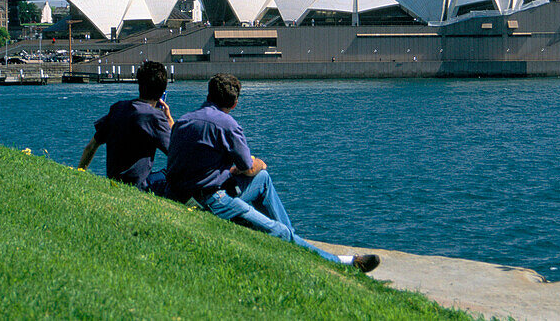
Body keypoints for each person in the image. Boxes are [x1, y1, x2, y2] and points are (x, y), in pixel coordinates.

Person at [165, 73, 380, 273]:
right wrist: (259, 163)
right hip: (210, 201)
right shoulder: (228, 125)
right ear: (234, 103)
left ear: (208, 94)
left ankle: (291, 240)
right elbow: (248, 167)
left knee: (263, 180)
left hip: (182, 196)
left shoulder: (183, 121)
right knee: (265, 187)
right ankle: (347, 263)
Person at [78, 60, 173, 194]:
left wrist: (79, 173)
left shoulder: (117, 108)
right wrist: (169, 119)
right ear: (162, 91)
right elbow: (178, 152)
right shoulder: (155, 117)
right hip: (140, 186)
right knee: (172, 173)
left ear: (140, 84)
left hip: (114, 181)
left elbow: (91, 146)